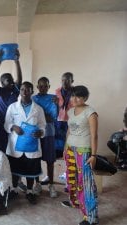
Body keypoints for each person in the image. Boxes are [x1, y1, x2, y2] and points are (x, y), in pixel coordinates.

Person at [61, 85, 99, 225]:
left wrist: (93, 155)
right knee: (72, 178)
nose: (74, 99)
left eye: (78, 96)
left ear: (85, 98)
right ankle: (75, 202)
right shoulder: (71, 111)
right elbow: (69, 130)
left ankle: (91, 217)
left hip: (83, 151)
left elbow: (94, 136)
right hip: (70, 148)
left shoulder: (91, 112)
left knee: (86, 182)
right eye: (72, 96)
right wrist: (65, 147)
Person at [4, 81, 46, 205]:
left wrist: (41, 132)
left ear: (32, 92)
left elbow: (43, 125)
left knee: (30, 170)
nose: (25, 92)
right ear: (20, 91)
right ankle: (15, 189)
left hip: (31, 145)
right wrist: (13, 127)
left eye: (28, 89)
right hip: (15, 145)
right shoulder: (12, 107)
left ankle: (29, 191)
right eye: (22, 89)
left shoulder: (38, 109)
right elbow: (6, 124)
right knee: (15, 168)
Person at [0, 49, 22, 153]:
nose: (12, 81)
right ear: (2, 82)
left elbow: (20, 79)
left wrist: (17, 61)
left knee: (13, 150)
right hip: (0, 124)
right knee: (2, 150)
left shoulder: (15, 91)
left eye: (12, 79)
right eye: (9, 80)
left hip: (14, 124)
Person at [32, 77, 58, 198]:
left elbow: (52, 118)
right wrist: (43, 116)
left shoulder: (53, 99)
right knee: (36, 159)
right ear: (37, 87)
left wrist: (40, 116)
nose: (43, 88)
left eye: (45, 86)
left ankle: (51, 185)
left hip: (49, 133)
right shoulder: (33, 99)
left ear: (49, 86)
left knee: (50, 160)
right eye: (40, 86)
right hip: (36, 134)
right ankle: (37, 184)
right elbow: (33, 117)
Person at [55, 72, 74, 158]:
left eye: (67, 80)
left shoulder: (75, 92)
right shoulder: (57, 91)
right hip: (59, 118)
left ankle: (69, 154)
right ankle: (59, 153)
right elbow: (56, 104)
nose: (64, 82)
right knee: (59, 137)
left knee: (70, 137)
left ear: (72, 81)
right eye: (63, 80)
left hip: (71, 118)